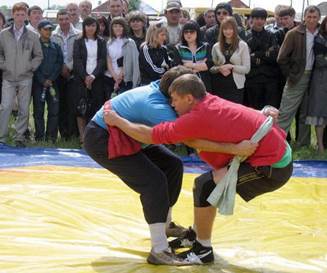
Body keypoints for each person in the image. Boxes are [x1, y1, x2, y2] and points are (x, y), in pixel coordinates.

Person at [105, 73, 293, 265]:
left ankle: (203, 250)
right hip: (273, 152)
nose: (172, 104)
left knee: (205, 186)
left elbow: (150, 136)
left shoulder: (195, 118)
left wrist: (118, 120)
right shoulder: (209, 100)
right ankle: (197, 236)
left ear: (189, 98)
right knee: (206, 185)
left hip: (273, 166)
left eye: (175, 99)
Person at [0, 3, 43, 147]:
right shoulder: (3, 34)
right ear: (13, 15)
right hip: (8, 77)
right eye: (17, 14)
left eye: (22, 15)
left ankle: (20, 137)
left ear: (26, 16)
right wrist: (4, 66)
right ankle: (2, 138)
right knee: (5, 107)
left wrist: (30, 68)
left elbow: (38, 56)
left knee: (24, 108)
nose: (19, 17)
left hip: (26, 77)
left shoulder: (32, 35)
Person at [277, 5, 320, 148]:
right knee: (286, 111)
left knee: (306, 113)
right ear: (304, 18)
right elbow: (281, 58)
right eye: (309, 17)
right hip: (297, 77)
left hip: (315, 78)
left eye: (314, 17)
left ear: (319, 18)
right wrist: (291, 74)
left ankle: (303, 143)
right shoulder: (294, 34)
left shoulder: (322, 33)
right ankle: (276, 141)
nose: (312, 20)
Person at [73, 17, 107, 144]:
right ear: (84, 27)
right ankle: (82, 137)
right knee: (81, 108)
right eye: (88, 26)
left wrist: (93, 76)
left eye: (93, 25)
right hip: (81, 79)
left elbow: (102, 60)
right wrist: (85, 76)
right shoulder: (78, 41)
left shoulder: (102, 41)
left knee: (96, 107)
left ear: (96, 27)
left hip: (97, 79)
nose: (90, 28)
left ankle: (92, 137)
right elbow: (77, 60)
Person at [32, 20, 63, 143]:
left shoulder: (56, 47)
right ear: (39, 30)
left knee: (54, 111)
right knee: (38, 111)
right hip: (38, 84)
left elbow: (59, 64)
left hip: (53, 84)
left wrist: (51, 79)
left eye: (50, 29)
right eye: (45, 29)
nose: (48, 31)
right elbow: (33, 65)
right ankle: (39, 137)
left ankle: (51, 138)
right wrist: (42, 80)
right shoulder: (34, 47)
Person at [52, 9, 80, 140]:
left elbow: (78, 55)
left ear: (71, 19)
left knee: (72, 103)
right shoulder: (52, 35)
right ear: (57, 20)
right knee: (59, 104)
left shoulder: (79, 35)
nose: (64, 22)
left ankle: (72, 132)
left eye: (66, 19)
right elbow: (51, 55)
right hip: (57, 74)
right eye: (61, 19)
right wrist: (61, 67)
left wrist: (68, 66)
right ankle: (63, 133)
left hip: (73, 74)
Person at [244, 8, 280, 110]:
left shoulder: (271, 35)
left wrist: (255, 54)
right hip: (252, 79)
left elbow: (274, 56)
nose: (259, 21)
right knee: (253, 112)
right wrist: (266, 52)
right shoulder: (246, 36)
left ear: (265, 20)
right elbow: (245, 57)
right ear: (252, 19)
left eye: (262, 18)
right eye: (256, 18)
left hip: (269, 79)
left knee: (269, 112)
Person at [210, 16, 250, 104]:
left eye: (231, 29)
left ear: (235, 29)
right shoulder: (216, 46)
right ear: (221, 30)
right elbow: (211, 68)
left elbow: (247, 69)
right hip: (219, 86)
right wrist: (219, 68)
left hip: (236, 87)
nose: (228, 31)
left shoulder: (243, 45)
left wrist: (231, 66)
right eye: (225, 29)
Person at [306, 17, 327, 153]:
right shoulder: (319, 39)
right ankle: (320, 146)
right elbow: (319, 62)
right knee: (320, 114)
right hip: (321, 80)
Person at [105, 17, 139, 98]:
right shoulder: (109, 42)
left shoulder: (130, 42)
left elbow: (129, 61)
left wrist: (119, 78)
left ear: (124, 28)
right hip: (110, 77)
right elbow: (108, 61)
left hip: (125, 79)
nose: (118, 28)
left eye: (120, 26)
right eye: (115, 26)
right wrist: (114, 76)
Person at [172, 20, 212, 91]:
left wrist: (188, 64)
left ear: (197, 33)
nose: (188, 34)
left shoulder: (206, 46)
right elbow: (178, 67)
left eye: (192, 31)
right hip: (185, 84)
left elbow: (208, 65)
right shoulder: (178, 48)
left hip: (204, 83)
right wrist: (199, 66)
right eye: (186, 32)